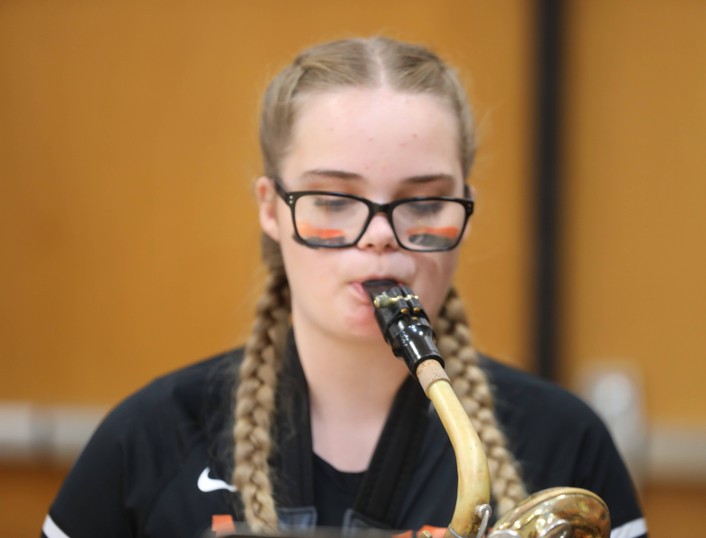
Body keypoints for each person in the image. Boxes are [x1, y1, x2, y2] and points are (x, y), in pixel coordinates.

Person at [42, 36, 647, 538]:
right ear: (271, 210)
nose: (380, 237)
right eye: (332, 198)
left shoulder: (567, 443)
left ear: (465, 208)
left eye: (422, 202)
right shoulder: (147, 440)